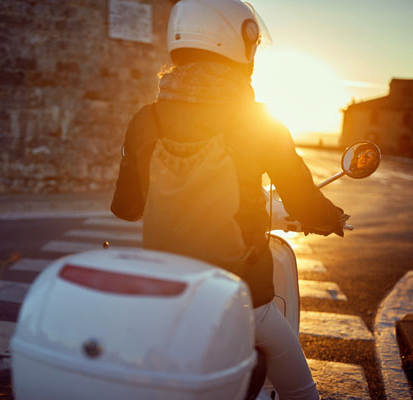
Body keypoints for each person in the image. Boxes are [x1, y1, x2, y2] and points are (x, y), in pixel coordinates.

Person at [110, 1, 349, 399]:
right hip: (241, 300)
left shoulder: (145, 119)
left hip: (167, 294)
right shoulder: (258, 121)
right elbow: (305, 202)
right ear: (238, 43)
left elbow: (126, 208)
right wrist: (332, 218)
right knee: (301, 387)